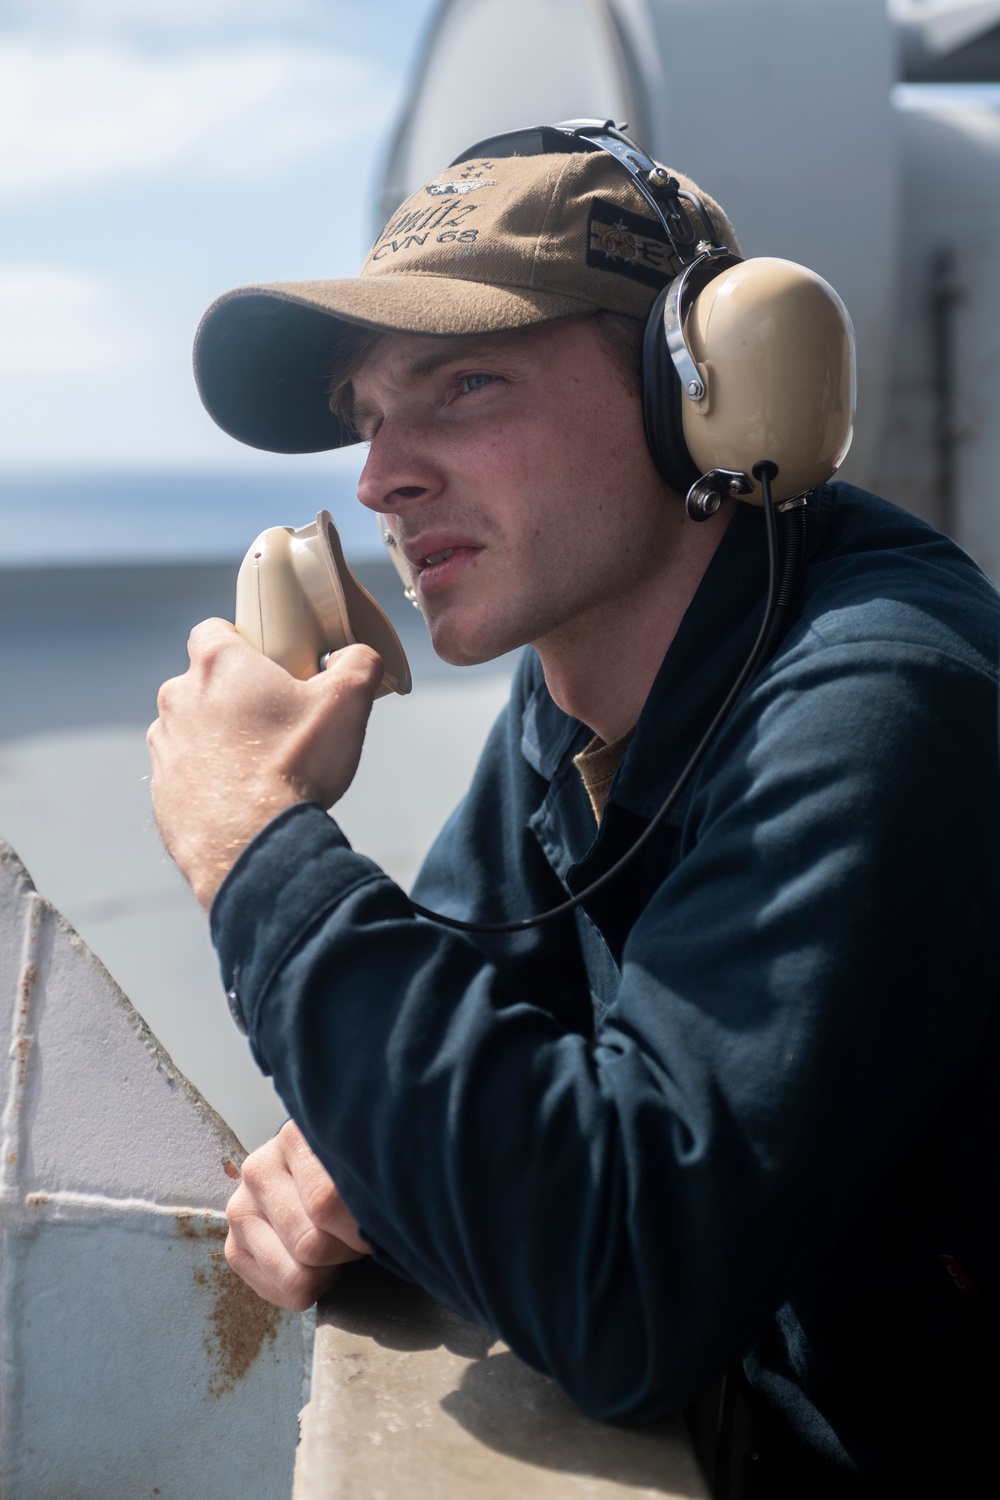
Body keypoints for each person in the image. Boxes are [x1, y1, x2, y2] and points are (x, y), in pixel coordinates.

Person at [148, 129, 1000, 1497]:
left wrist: (255, 841)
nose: (380, 478)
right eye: (371, 415)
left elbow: (622, 1286)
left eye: (463, 385)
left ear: (703, 395)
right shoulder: (578, 686)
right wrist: (392, 1161)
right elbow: (473, 1060)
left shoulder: (885, 706)